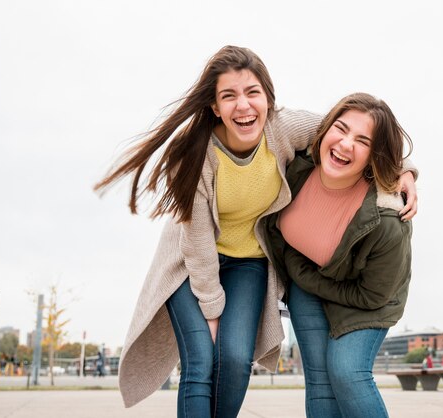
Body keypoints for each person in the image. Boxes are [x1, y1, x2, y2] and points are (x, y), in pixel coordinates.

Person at [95, 47, 419, 417]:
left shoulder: (283, 128)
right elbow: (198, 242)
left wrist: (405, 170)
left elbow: (358, 135)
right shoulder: (198, 156)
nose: (243, 106)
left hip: (248, 263)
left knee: (234, 359)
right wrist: (212, 309)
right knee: (202, 359)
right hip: (190, 264)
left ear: (268, 98)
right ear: (215, 107)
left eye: (252, 93)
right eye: (228, 96)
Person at [265, 92, 415, 418]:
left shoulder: (388, 221)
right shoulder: (300, 164)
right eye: (341, 129)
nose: (345, 144)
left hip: (365, 297)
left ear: (375, 154)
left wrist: (300, 272)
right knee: (319, 380)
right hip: (307, 280)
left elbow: (373, 294)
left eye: (362, 140)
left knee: (347, 372)